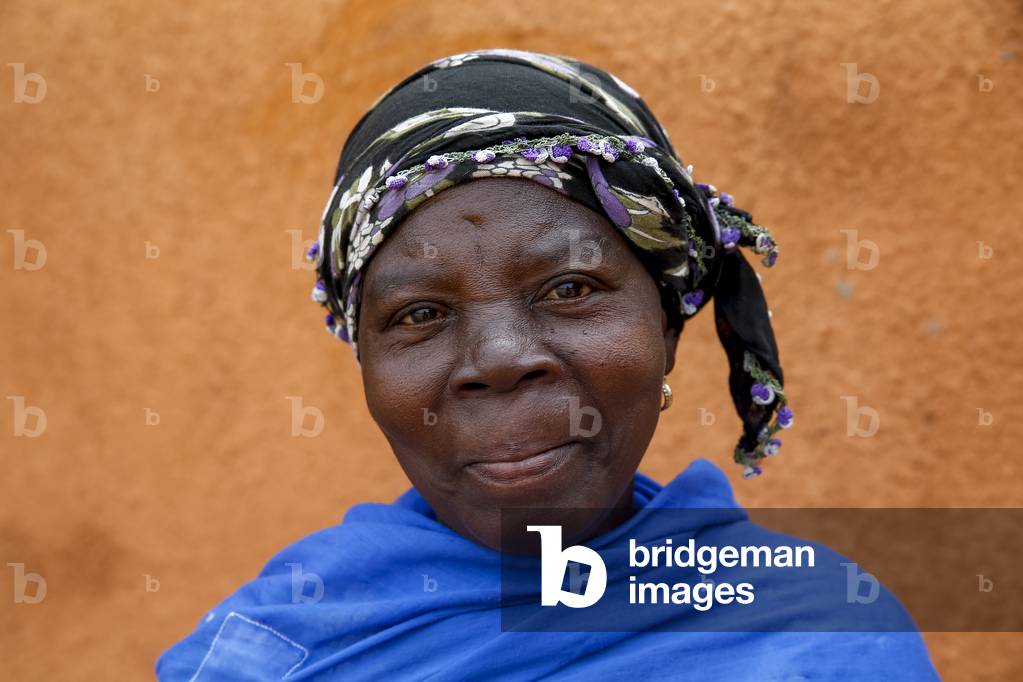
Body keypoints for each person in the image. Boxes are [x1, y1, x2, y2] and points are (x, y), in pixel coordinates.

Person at [156, 49, 938, 680]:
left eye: (569, 288)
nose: (498, 361)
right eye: (419, 314)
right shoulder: (275, 648)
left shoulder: (828, 636)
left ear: (667, 328)